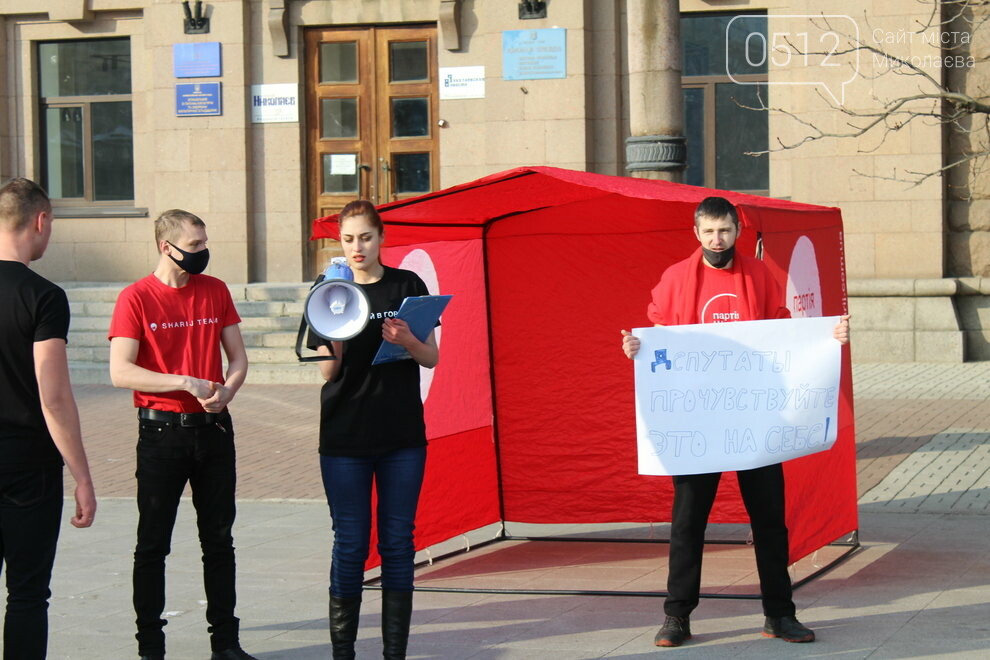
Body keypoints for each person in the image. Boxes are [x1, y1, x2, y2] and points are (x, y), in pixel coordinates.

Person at [620, 196, 850, 648]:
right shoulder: (674, 280)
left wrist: (829, 337)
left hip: (755, 418)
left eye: (724, 231)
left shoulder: (760, 275)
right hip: (698, 419)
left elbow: (786, 334)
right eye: (708, 231)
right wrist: (635, 349)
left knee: (769, 522)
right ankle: (677, 617)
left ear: (736, 231)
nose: (716, 239)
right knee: (688, 522)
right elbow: (657, 337)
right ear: (696, 233)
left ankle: (780, 614)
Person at [108, 209, 255, 660]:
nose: (202, 253)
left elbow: (238, 359)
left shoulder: (215, 291)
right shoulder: (135, 298)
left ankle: (225, 644)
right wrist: (184, 382)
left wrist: (227, 391)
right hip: (161, 435)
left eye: (204, 243)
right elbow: (121, 371)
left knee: (219, 540)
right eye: (193, 246)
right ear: (164, 247)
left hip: (212, 432)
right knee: (153, 544)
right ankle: (151, 648)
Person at [311, 200, 439, 660]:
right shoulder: (329, 288)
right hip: (345, 437)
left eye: (365, 237)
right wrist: (337, 326)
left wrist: (406, 339)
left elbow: (431, 357)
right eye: (348, 239)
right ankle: (343, 652)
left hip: (402, 435)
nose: (357, 247)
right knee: (350, 541)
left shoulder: (408, 285)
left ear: (382, 238)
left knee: (398, 541)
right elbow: (328, 373)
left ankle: (393, 653)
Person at [0, 177, 96, 658]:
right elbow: (53, 395)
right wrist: (81, 475)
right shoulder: (43, 296)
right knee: (27, 593)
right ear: (40, 221)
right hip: (27, 466)